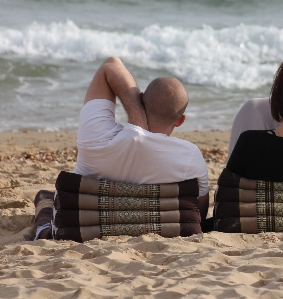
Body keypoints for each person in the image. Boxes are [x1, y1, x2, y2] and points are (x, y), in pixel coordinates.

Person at [74, 56, 209, 220]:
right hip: (153, 227)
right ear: (180, 120)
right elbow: (197, 215)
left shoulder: (96, 136)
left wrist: (136, 114)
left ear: (141, 97)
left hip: (90, 222)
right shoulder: (189, 156)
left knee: (44, 198)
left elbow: (110, 65)